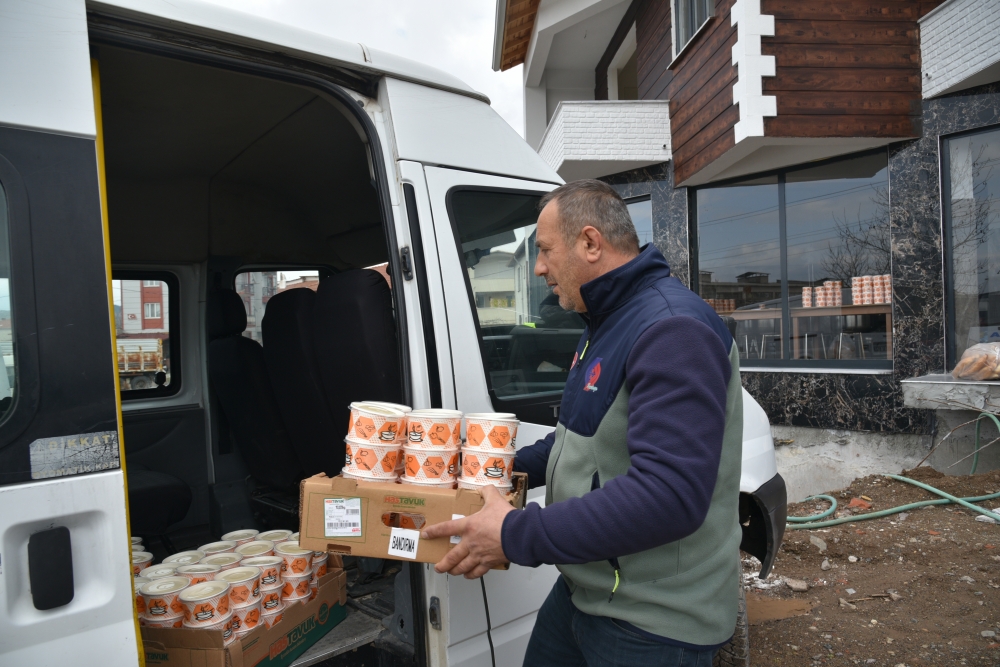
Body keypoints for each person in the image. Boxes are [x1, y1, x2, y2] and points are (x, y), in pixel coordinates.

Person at [422, 179, 743, 666]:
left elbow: (670, 495)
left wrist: (513, 534)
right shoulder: (606, 321)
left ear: (590, 243)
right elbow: (581, 442)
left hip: (653, 619)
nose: (539, 267)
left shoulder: (672, 329)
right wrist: (491, 466)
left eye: (546, 250)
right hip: (586, 590)